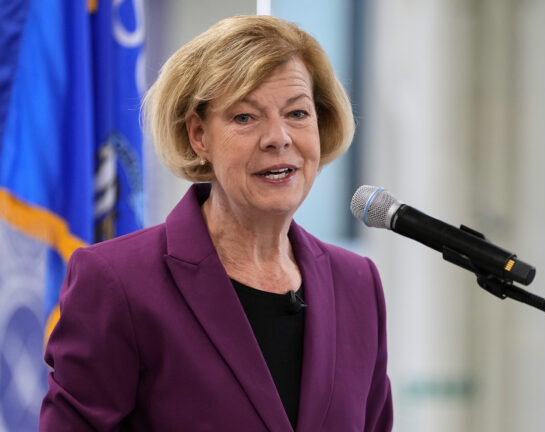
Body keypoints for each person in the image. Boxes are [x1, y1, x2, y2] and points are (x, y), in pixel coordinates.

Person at [40, 15, 392, 431]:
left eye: (297, 113)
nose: (278, 137)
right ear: (198, 136)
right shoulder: (117, 281)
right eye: (245, 117)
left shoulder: (357, 283)